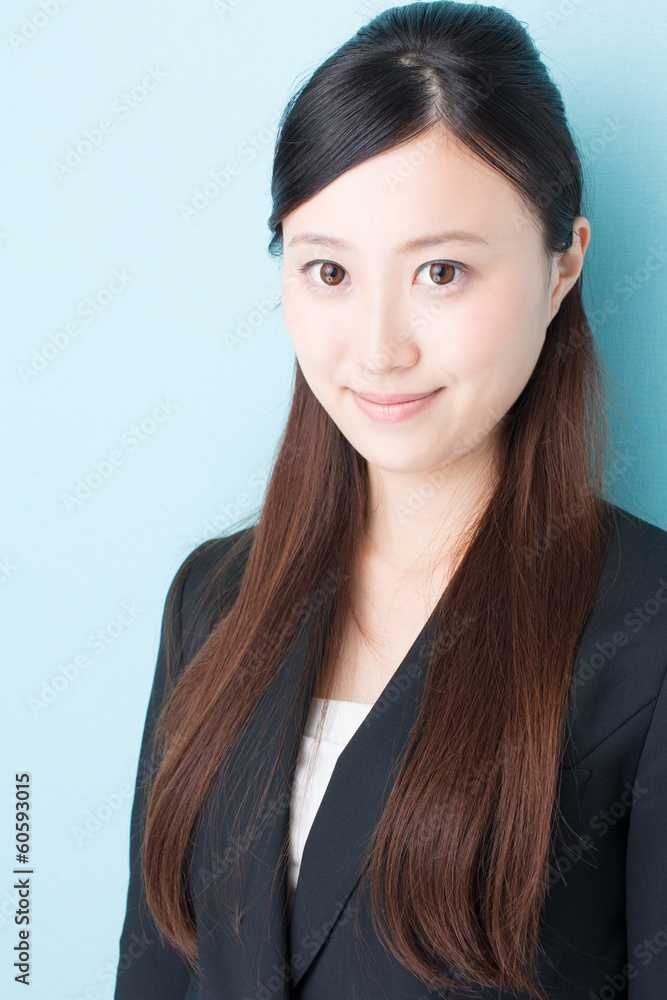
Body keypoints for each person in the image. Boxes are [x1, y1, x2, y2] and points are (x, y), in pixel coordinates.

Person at [113, 3, 667, 998]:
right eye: (327, 268)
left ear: (562, 263)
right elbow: (154, 967)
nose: (376, 346)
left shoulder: (647, 624)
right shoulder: (211, 600)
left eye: (440, 271)